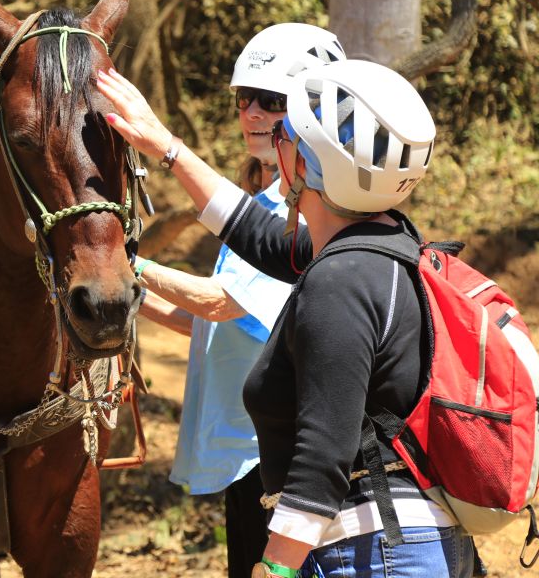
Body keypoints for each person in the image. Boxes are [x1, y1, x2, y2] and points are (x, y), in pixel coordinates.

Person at [97, 59, 476, 577]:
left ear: (303, 165)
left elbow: (324, 452)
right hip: (403, 545)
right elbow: (254, 232)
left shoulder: (339, 283)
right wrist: (166, 147)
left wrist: (274, 570)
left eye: (286, 137)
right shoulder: (385, 246)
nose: (275, 146)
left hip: (372, 552)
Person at [133, 24, 346, 578]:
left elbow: (219, 304)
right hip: (244, 454)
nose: (250, 113)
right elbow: (219, 324)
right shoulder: (263, 198)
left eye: (270, 101)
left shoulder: (302, 209)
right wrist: (129, 299)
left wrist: (124, 262)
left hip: (276, 455)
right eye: (243, 99)